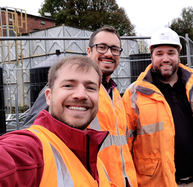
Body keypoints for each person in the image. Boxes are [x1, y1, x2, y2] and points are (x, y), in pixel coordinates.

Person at [22, 26, 137, 187]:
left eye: (115, 49)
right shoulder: (64, 91)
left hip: (121, 181)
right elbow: (32, 135)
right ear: (89, 51)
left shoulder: (115, 93)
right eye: (102, 47)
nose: (109, 54)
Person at [122, 27, 193, 187]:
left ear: (179, 55)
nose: (165, 58)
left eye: (171, 53)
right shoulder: (135, 94)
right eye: (159, 54)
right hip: (157, 183)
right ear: (151, 57)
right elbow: (124, 143)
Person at [0, 55, 115, 186]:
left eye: (90, 88)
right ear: (49, 97)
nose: (81, 95)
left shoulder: (93, 157)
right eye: (68, 85)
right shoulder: (32, 149)